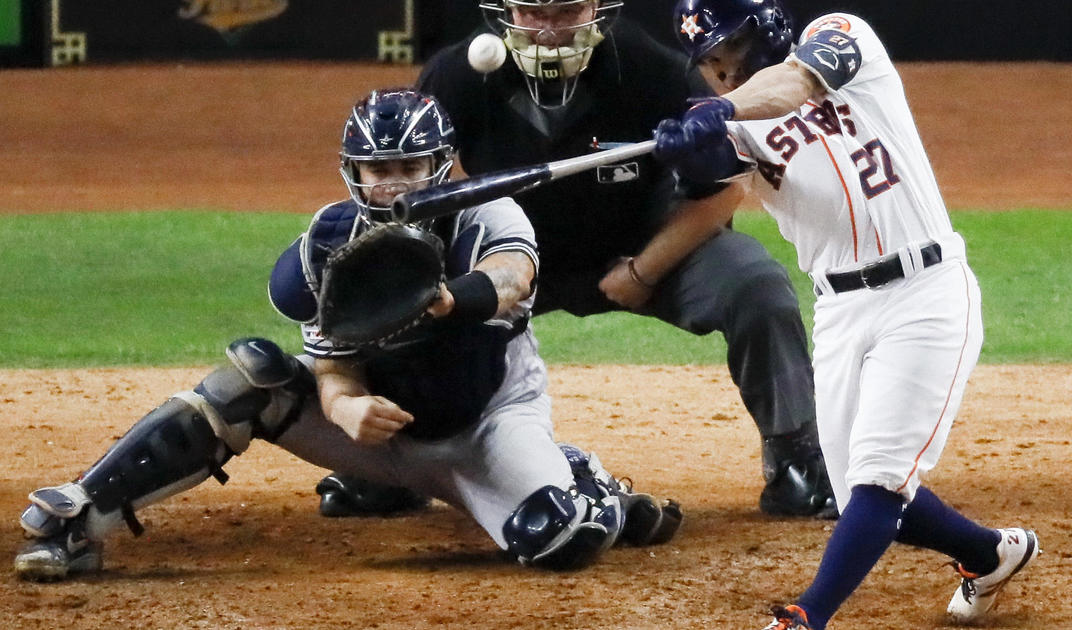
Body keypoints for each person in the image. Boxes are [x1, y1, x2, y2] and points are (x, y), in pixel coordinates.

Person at [12, 88, 682, 581]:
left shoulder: (486, 215)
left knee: (561, 540)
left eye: (410, 168)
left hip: (486, 430)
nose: (392, 186)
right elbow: (332, 367)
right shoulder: (327, 245)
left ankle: (585, 485)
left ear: (439, 167)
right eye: (378, 170)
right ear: (354, 172)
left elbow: (510, 278)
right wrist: (346, 407)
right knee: (252, 379)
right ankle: (81, 516)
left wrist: (445, 298)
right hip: (378, 435)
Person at [316, 0, 837, 521]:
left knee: (755, 286)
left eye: (566, 11)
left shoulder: (648, 67)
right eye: (532, 13)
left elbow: (724, 186)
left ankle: (797, 457)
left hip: (639, 248)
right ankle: (392, 465)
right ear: (506, 12)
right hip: (506, 258)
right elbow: (422, 188)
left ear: (596, 7)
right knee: (409, 293)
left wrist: (644, 269)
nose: (547, 31)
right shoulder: (458, 75)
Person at [653, 2, 1040, 628]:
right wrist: (686, 145)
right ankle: (990, 553)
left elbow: (792, 85)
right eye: (711, 65)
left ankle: (805, 617)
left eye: (732, 52)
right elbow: (711, 168)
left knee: (880, 481)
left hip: (925, 291)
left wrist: (720, 111)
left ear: (765, 29)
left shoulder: (840, 37)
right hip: (838, 312)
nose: (724, 74)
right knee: (868, 496)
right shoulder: (740, 128)